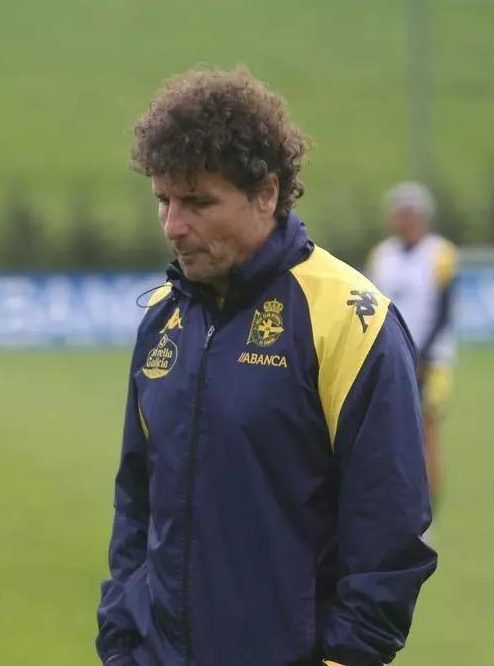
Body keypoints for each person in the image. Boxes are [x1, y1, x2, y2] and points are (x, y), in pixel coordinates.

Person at [96, 67, 436, 666]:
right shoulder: (161, 319)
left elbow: (388, 535)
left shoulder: (349, 321)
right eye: (164, 200)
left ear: (267, 194)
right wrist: (123, 643)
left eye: (199, 201)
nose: (174, 225)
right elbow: (136, 504)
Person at [366, 182, 457, 512]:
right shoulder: (381, 255)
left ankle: (428, 508)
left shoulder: (441, 254)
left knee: (426, 430)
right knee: (389, 430)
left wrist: (423, 356)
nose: (404, 219)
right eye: (399, 213)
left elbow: (445, 311)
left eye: (409, 213)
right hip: (392, 355)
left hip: (432, 360)